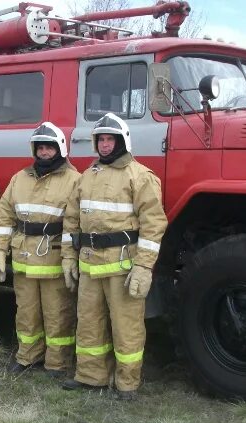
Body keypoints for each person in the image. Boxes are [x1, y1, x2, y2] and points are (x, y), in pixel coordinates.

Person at [60, 113, 168, 400]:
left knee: (126, 327)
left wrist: (144, 266)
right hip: (89, 265)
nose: (105, 145)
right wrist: (68, 258)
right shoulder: (87, 176)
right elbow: (71, 219)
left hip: (123, 267)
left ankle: (127, 383)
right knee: (89, 323)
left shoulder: (140, 176)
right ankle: (90, 377)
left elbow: (153, 224)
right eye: (101, 139)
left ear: (122, 141)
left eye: (111, 139)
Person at [0, 122, 80, 377]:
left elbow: (75, 224)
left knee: (58, 313)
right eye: (40, 147)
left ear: (60, 149)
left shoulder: (75, 180)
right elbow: (5, 216)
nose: (44, 152)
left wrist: (70, 258)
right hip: (24, 260)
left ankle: (57, 363)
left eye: (49, 148)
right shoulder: (19, 178)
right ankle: (27, 356)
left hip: (53, 260)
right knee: (26, 312)